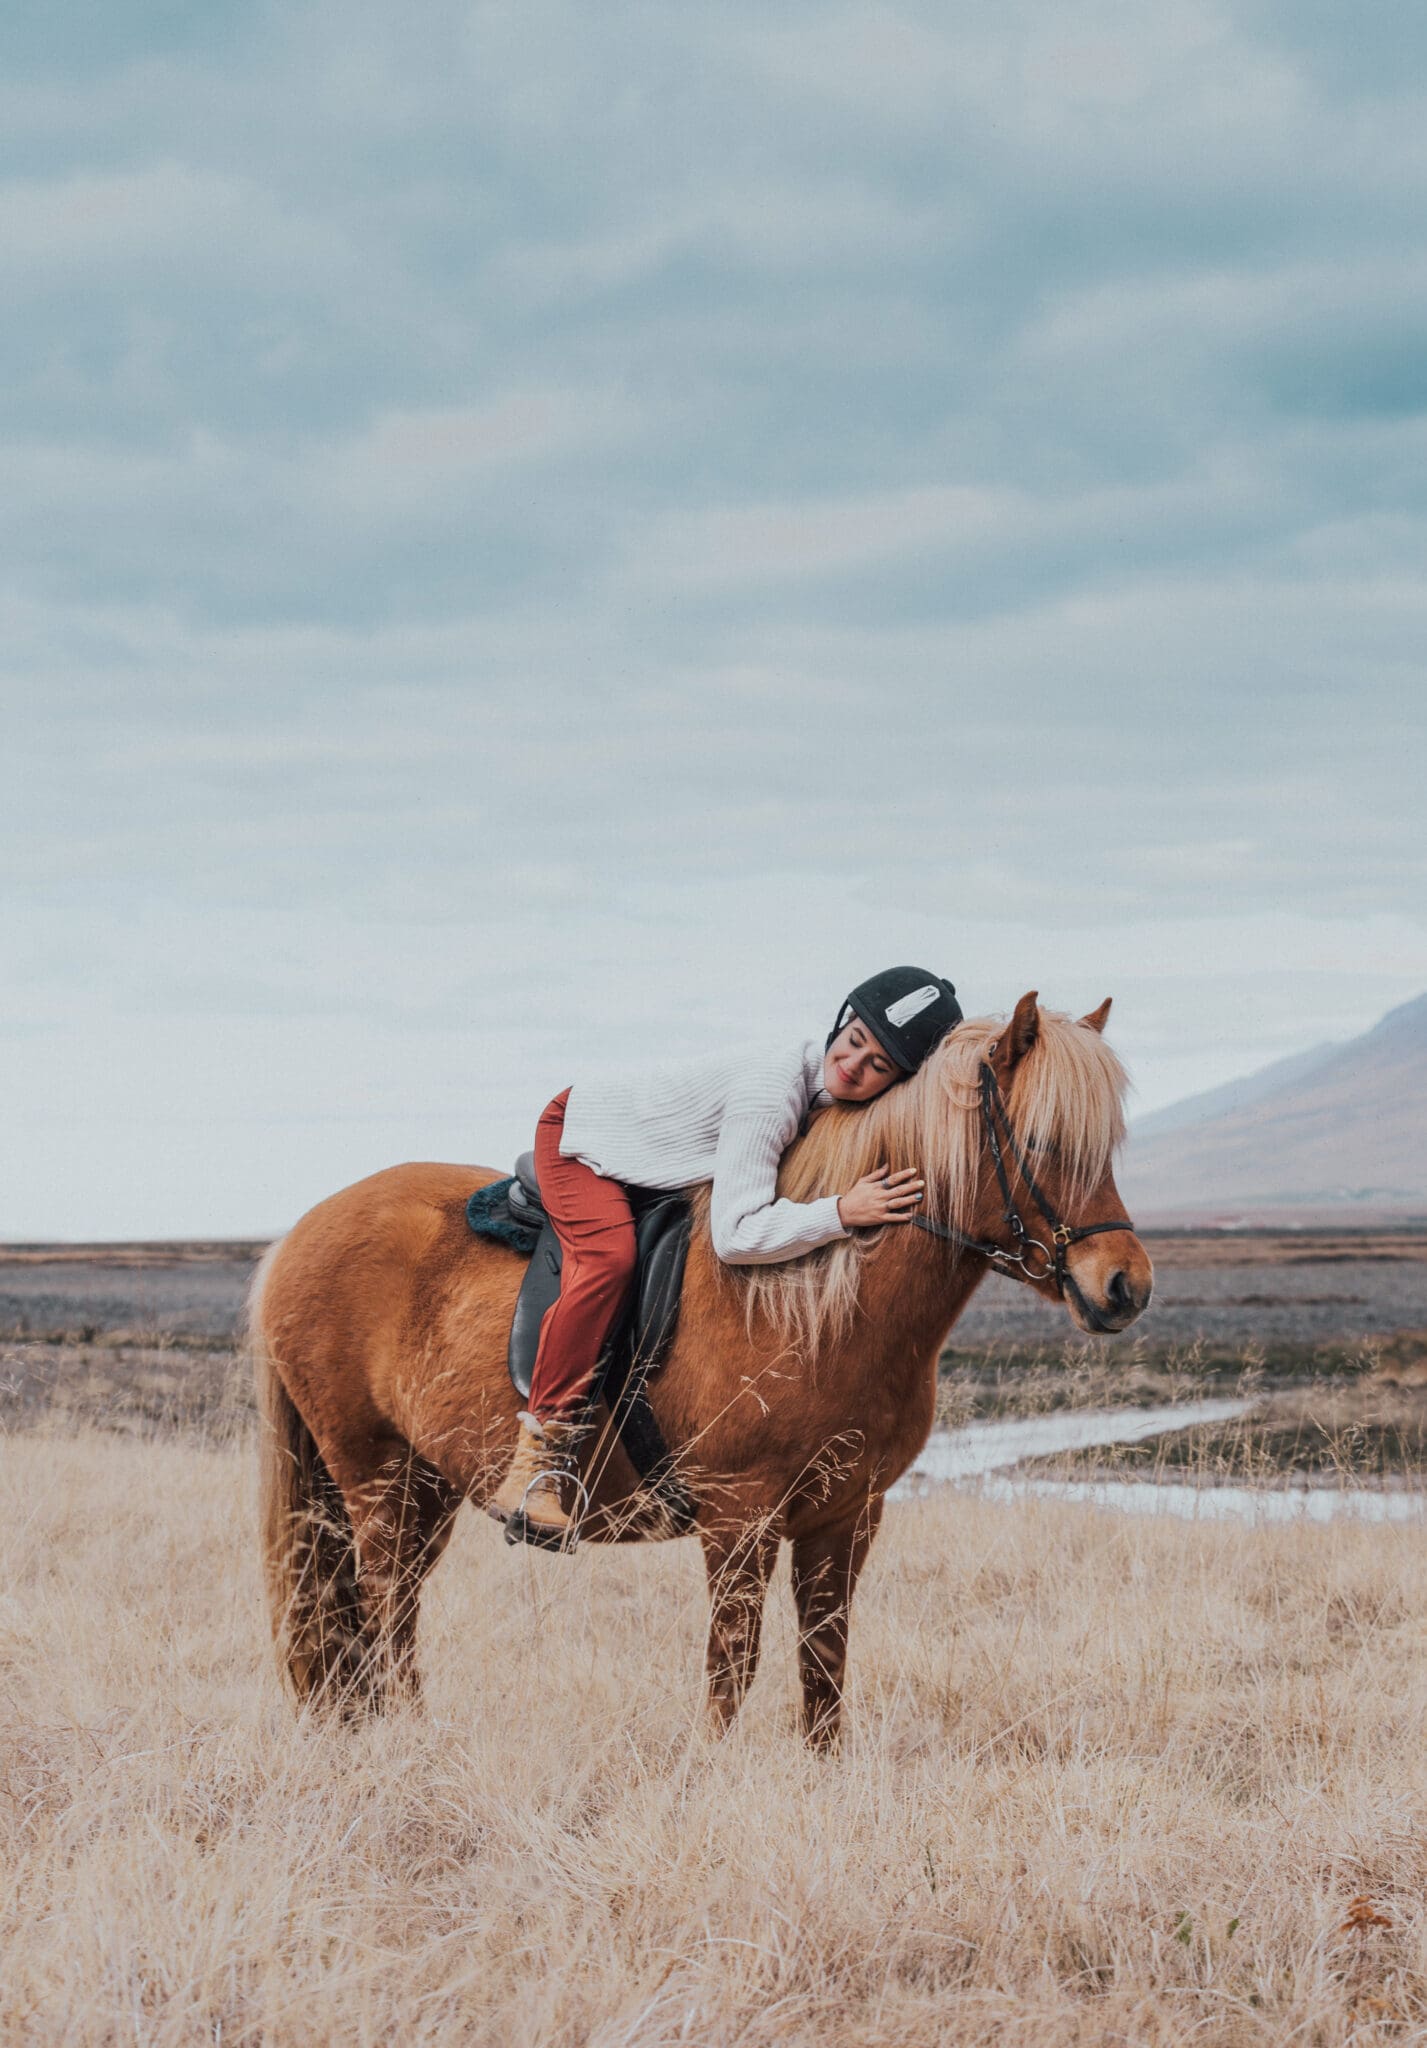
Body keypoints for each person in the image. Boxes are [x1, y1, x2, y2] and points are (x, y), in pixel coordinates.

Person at [489, 965, 964, 1547]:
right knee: (607, 1259)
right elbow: (735, 1235)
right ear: (842, 1023)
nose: (854, 1065)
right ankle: (535, 1464)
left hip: (653, 1151)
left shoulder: (830, 1107)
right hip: (580, 1138)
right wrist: (841, 1212)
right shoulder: (772, 1093)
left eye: (878, 1066)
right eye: (855, 1041)